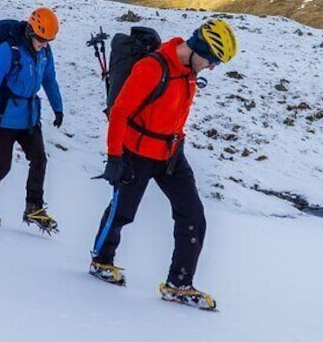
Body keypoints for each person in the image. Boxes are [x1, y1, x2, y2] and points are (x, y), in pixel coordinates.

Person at [89, 18, 238, 310]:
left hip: (171, 152)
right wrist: (115, 157)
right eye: (211, 60)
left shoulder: (189, 73)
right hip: (137, 150)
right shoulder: (152, 68)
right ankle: (101, 260)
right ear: (198, 48)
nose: (211, 67)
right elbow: (120, 112)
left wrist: (176, 142)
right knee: (122, 212)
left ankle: (179, 284)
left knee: (193, 215)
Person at [0, 7, 64, 234]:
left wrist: (58, 107)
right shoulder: (7, 50)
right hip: (3, 118)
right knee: (2, 165)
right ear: (31, 31)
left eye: (48, 40)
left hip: (29, 117)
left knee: (39, 159)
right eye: (41, 39)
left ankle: (34, 207)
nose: (44, 44)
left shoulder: (44, 52)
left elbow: (49, 79)